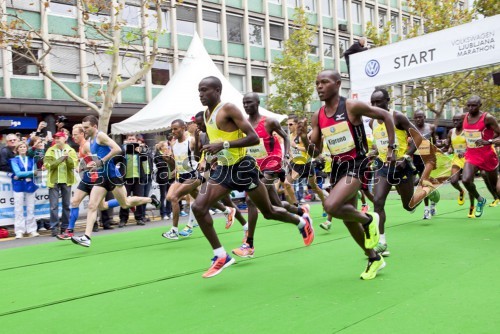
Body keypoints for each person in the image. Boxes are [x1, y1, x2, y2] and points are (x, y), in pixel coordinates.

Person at [191, 76, 313, 278]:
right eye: (199, 90)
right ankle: (221, 255)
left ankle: (301, 222)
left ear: (217, 90)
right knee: (198, 206)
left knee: (269, 212)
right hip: (224, 169)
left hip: (244, 167)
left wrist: (224, 146)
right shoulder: (205, 115)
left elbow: (253, 138)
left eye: (205, 90)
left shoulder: (228, 109)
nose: (201, 94)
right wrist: (215, 154)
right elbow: (220, 140)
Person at [310, 70, 396, 280]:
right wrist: (309, 140)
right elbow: (316, 149)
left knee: (331, 206)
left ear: (338, 84)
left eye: (324, 82)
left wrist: (392, 147)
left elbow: (385, 115)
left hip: (357, 164)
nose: (319, 86)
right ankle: (374, 258)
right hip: (338, 167)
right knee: (348, 218)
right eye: (317, 83)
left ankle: (368, 220)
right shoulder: (318, 115)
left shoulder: (351, 106)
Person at [232, 92, 310, 258]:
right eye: (244, 103)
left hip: (272, 163)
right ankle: (301, 212)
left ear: (257, 103)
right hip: (255, 165)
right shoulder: (243, 124)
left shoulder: (269, 121)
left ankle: (249, 244)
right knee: (276, 205)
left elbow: (286, 137)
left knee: (250, 200)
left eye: (250, 103)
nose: (246, 106)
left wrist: (287, 156)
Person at [71, 115, 160, 247]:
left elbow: (117, 149)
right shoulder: (91, 139)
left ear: (94, 127)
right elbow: (98, 158)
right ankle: (87, 237)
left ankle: (150, 200)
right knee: (95, 205)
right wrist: (93, 165)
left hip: (113, 176)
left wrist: (102, 161)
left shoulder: (101, 136)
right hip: (101, 177)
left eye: (86, 127)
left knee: (125, 204)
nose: (84, 130)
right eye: (83, 128)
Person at [369, 88, 420, 256]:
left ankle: (426, 194)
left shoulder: (397, 117)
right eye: (373, 103)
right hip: (383, 166)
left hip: (402, 166)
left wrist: (406, 156)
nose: (376, 106)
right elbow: (380, 143)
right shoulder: (372, 122)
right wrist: (374, 152)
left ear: (388, 101)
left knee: (408, 205)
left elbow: (418, 137)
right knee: (377, 201)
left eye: (379, 102)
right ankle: (381, 242)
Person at [56, 124, 119, 240]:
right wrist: (80, 166)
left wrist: (86, 166)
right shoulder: (80, 146)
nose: (73, 137)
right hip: (87, 177)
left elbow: (96, 159)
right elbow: (87, 161)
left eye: (75, 134)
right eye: (72, 134)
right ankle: (69, 231)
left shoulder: (87, 145)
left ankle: (124, 201)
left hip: (95, 178)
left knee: (102, 206)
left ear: (82, 134)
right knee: (75, 202)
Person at [461, 96, 500, 218]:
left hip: (487, 156)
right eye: (469, 105)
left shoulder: (487, 118)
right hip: (472, 155)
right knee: (466, 180)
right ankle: (480, 199)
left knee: (495, 189)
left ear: (480, 105)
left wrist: (489, 141)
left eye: (474, 105)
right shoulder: (465, 117)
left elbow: (499, 134)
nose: (471, 108)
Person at [284, 117, 325, 207]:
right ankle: (296, 207)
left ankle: (324, 203)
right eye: (287, 124)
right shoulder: (289, 137)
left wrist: (296, 147)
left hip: (306, 165)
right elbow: (291, 151)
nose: (288, 126)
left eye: (290, 124)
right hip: (295, 164)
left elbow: (309, 150)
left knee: (315, 188)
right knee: (286, 184)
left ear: (296, 125)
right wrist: (289, 158)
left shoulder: (302, 136)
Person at [43, 131, 78, 237]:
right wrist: (61, 159)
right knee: (53, 206)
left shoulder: (71, 150)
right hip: (53, 180)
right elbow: (48, 165)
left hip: (66, 180)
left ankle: (65, 227)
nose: (57, 139)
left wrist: (67, 160)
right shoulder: (50, 150)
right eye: (55, 138)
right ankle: (54, 227)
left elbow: (73, 165)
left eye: (59, 137)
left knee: (66, 205)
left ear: (64, 138)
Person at [444, 113, 475, 217]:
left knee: (469, 183)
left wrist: (465, 152)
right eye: (454, 120)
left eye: (458, 120)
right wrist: (441, 150)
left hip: (469, 159)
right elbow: (447, 146)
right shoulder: (451, 132)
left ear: (463, 121)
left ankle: (472, 207)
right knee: (453, 181)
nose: (456, 122)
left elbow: (473, 146)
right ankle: (461, 191)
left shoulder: (467, 132)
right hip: (457, 159)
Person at [118, 134, 148, 227]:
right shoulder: (123, 149)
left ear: (136, 140)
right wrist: (124, 146)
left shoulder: (140, 149)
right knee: (124, 199)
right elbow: (118, 155)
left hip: (138, 178)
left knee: (138, 198)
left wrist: (141, 151)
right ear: (127, 140)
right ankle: (123, 219)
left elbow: (146, 159)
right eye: (129, 139)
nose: (131, 141)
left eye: (133, 139)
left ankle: (139, 218)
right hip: (126, 178)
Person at [10, 142, 39, 238]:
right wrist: (30, 173)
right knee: (18, 208)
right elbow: (18, 173)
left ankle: (32, 229)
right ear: (17, 149)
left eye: (24, 147)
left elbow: (36, 173)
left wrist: (24, 174)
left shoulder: (31, 159)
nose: (22, 148)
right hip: (18, 185)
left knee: (31, 207)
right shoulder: (14, 160)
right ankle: (19, 231)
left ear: (27, 149)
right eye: (20, 147)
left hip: (30, 184)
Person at [412, 110, 438, 219]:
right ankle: (433, 201)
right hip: (417, 158)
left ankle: (426, 209)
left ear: (424, 117)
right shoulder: (411, 129)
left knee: (424, 182)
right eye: (416, 117)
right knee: (424, 183)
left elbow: (435, 142)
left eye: (420, 117)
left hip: (428, 159)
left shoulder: (431, 127)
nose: (418, 119)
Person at [154, 140, 174, 220]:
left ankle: (169, 212)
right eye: (166, 145)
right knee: (163, 196)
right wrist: (168, 159)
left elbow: (173, 163)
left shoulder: (169, 154)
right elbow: (160, 165)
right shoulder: (157, 155)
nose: (168, 147)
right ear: (162, 147)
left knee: (170, 195)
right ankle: (163, 213)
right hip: (162, 177)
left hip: (170, 177)